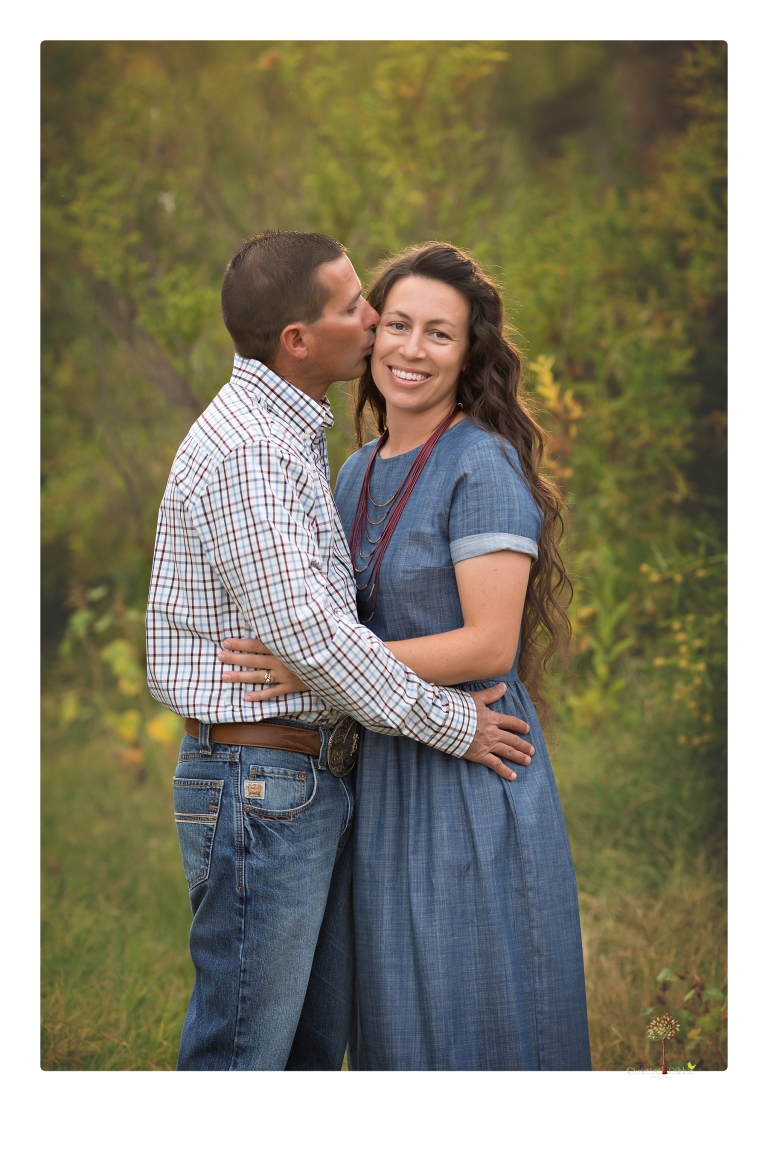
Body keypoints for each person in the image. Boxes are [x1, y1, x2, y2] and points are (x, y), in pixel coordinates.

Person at [145, 231, 536, 1071]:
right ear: (298, 339)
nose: (374, 321)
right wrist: (455, 723)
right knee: (244, 1055)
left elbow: (319, 640)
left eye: (434, 330)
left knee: (310, 1056)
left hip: (304, 779)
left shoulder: (299, 441)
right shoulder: (258, 449)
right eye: (359, 307)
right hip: (263, 779)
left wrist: (313, 661)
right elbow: (313, 639)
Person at [220, 242, 592, 1070]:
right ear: (370, 332)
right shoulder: (353, 473)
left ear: (468, 353)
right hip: (381, 765)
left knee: (472, 1014)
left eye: (439, 333)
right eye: (396, 325)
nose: (411, 350)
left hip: (469, 763)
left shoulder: (481, 464)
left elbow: (488, 642)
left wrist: (316, 666)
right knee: (395, 1023)